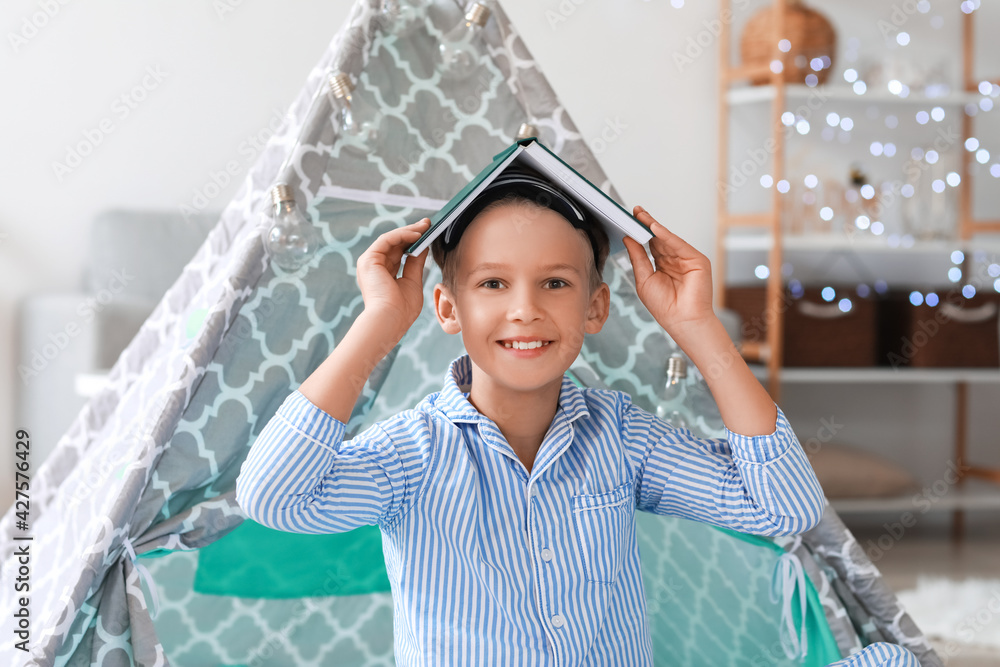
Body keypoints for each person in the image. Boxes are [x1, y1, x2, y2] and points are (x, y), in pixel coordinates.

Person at [236, 178, 919, 666]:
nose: (525, 309)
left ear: (594, 309)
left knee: (889, 662)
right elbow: (273, 495)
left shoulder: (621, 436)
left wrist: (695, 325)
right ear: (448, 309)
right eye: (493, 284)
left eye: (555, 283)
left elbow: (786, 505)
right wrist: (380, 322)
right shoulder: (410, 454)